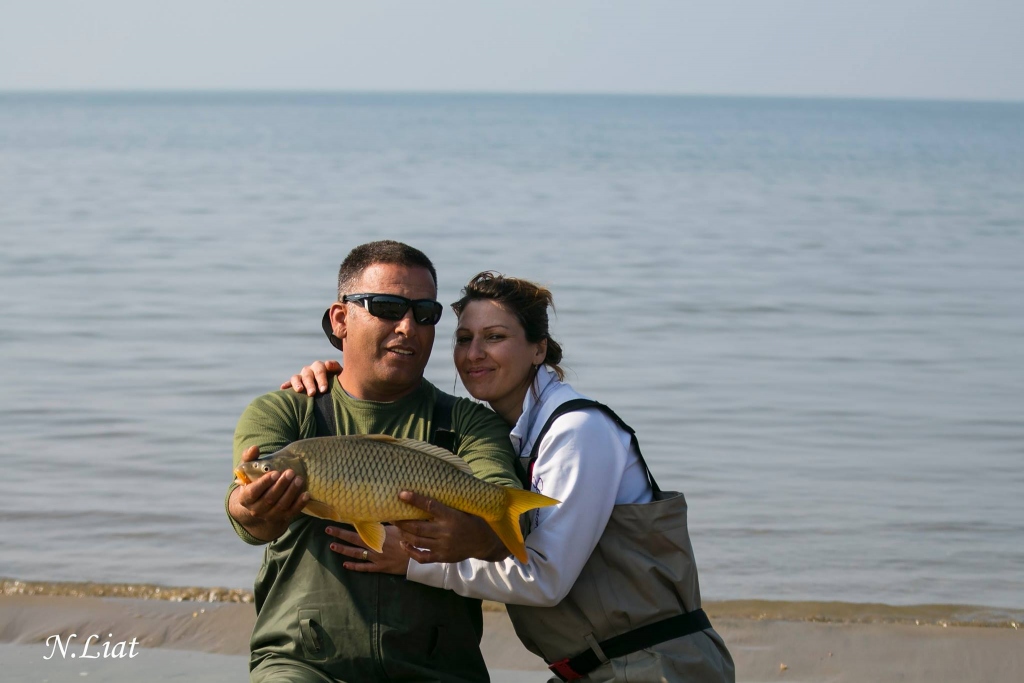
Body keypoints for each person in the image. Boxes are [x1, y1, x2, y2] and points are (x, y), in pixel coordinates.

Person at [284, 272, 735, 683]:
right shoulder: (511, 436)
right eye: (464, 338)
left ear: (539, 348)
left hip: (656, 666)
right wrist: (338, 378)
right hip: (592, 669)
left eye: (495, 337)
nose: (474, 353)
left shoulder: (577, 431)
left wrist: (415, 561)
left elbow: (545, 579)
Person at [227, 242, 521, 683]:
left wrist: (473, 537)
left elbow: (501, 524)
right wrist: (249, 507)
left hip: (439, 667)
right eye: (385, 307)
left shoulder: (469, 423)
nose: (408, 327)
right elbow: (253, 522)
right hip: (303, 662)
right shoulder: (287, 410)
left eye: (425, 313)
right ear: (340, 319)